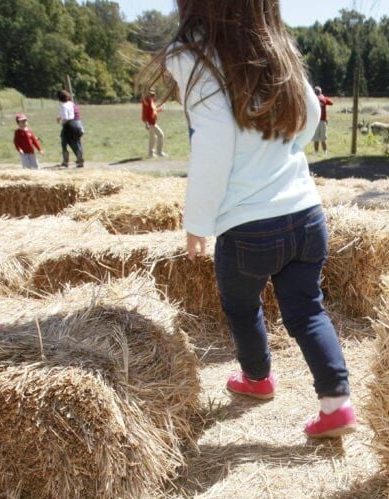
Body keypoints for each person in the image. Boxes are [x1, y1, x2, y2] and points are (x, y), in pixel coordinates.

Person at [141, 0, 356, 439]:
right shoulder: (275, 42)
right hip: (306, 214)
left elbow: (213, 147)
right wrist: (284, 151)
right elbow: (312, 112)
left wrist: (197, 220)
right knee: (307, 310)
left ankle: (257, 379)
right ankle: (336, 403)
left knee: (242, 307)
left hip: (248, 227)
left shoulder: (195, 56)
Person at [56, 89, 84, 168]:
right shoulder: (70, 103)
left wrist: (62, 122)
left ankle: (65, 161)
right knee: (76, 143)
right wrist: (59, 117)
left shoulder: (63, 105)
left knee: (64, 143)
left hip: (68, 125)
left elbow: (65, 117)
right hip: (74, 123)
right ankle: (80, 160)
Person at [141, 88, 168, 158]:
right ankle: (154, 153)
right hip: (150, 123)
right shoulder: (146, 101)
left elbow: (153, 111)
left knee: (156, 136)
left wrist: (160, 109)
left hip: (153, 122)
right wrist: (146, 123)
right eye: (151, 93)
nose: (153, 95)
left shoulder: (151, 101)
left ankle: (156, 152)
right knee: (156, 136)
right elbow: (144, 113)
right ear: (148, 93)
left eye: (153, 94)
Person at [313, 86, 332, 156]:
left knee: (316, 138)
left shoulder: (314, 99)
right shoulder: (323, 98)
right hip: (323, 121)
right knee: (323, 138)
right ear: (320, 92)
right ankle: (325, 152)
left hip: (316, 121)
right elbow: (331, 103)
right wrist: (324, 97)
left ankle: (316, 152)